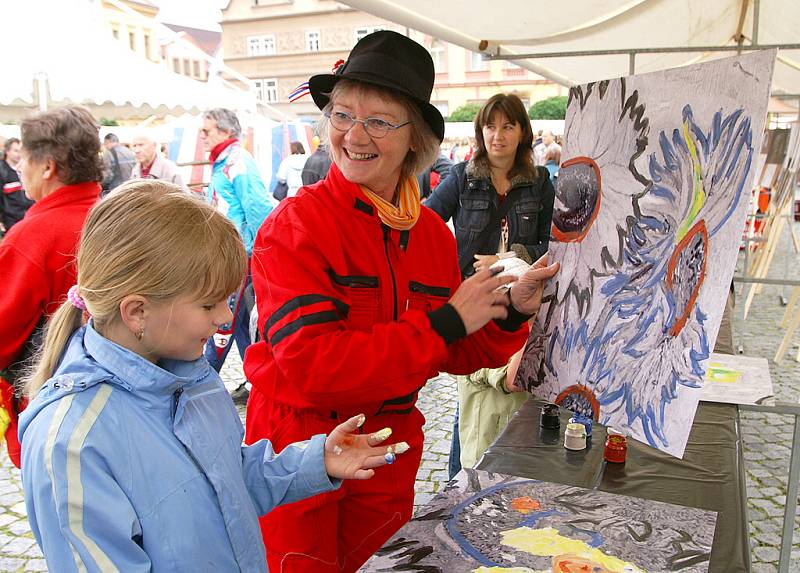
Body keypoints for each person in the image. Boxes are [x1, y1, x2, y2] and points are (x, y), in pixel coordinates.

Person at [243, 30, 559, 573]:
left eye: (379, 121)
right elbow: (312, 366)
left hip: (388, 448)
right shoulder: (295, 226)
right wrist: (443, 324)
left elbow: (457, 350)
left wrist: (513, 309)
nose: (354, 135)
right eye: (342, 115)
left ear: (415, 139)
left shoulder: (431, 234)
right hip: (300, 446)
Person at [19, 180, 406, 572]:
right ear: (137, 311)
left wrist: (314, 462)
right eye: (208, 304)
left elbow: (226, 483)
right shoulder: (73, 442)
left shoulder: (191, 379)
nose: (224, 317)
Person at [426, 93, 556, 477]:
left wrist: (506, 257)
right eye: (490, 126)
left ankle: (503, 477)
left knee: (510, 396)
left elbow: (555, 240)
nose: (497, 135)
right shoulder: (463, 178)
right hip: (473, 301)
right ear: (480, 132)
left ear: (521, 132)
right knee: (473, 394)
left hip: (521, 299)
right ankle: (458, 481)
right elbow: (427, 223)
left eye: (507, 126)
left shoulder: (540, 182)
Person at [0, 105, 103, 468]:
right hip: (122, 407)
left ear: (47, 166)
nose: (19, 169)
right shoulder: (114, 216)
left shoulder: (32, 238)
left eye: (23, 159)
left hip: (53, 415)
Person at [199, 108, 273, 402]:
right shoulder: (222, 162)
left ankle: (198, 384)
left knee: (223, 322)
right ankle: (258, 383)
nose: (202, 137)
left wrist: (264, 252)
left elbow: (258, 208)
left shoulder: (237, 161)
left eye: (207, 131)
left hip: (240, 256)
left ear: (225, 131)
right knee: (241, 324)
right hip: (228, 251)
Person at [0, 137, 34, 234]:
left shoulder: (26, 168)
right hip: (11, 221)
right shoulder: (2, 171)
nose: (19, 154)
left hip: (28, 218)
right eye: (16, 151)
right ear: (7, 151)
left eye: (21, 151)